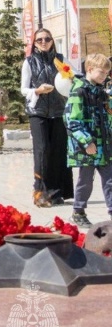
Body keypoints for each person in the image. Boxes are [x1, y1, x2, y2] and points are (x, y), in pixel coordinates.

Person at [20, 28, 74, 207]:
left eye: (47, 39)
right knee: (42, 151)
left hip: (58, 111)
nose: (44, 42)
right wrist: (37, 90)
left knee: (59, 151)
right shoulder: (29, 62)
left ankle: (57, 192)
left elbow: (72, 76)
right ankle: (40, 192)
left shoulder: (61, 60)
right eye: (40, 40)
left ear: (52, 41)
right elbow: (23, 89)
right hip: (38, 112)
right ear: (34, 43)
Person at [64, 53, 112, 227]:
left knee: (110, 180)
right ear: (90, 69)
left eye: (107, 73)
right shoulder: (79, 91)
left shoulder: (101, 92)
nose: (104, 76)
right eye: (101, 72)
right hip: (87, 147)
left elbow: (108, 117)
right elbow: (72, 120)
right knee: (85, 182)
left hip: (104, 145)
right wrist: (86, 142)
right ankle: (78, 211)